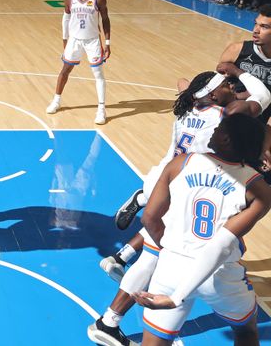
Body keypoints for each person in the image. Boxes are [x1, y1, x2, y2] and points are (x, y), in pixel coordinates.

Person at [88, 65, 270, 346]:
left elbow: (185, 82)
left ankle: (113, 302)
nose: (230, 88)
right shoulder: (230, 120)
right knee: (244, 329)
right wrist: (236, 72)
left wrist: (170, 244)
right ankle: (108, 318)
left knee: (151, 255)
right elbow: (261, 97)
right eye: (225, 85)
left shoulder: (186, 111)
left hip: (170, 184)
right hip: (211, 252)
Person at [131, 113, 271, 346]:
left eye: (220, 128)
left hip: (171, 268)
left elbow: (149, 218)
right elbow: (220, 244)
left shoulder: (181, 163)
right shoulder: (259, 188)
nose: (214, 130)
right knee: (245, 330)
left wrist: (171, 248)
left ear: (227, 139)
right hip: (220, 275)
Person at [46, 0, 111, 124]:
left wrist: (107, 43)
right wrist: (64, 38)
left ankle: (101, 109)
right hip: (74, 40)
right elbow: (65, 19)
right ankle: (56, 101)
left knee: (98, 74)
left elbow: (106, 20)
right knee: (65, 70)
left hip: (92, 41)